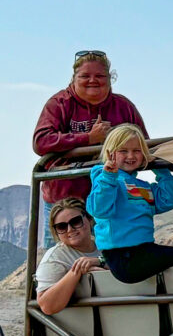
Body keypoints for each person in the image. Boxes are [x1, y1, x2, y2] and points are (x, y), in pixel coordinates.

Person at [32, 50, 147, 233]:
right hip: (66, 199)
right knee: (64, 256)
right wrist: (88, 138)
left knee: (110, 255)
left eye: (99, 75)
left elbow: (144, 143)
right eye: (85, 76)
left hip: (112, 198)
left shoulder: (123, 106)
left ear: (110, 79)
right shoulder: (59, 104)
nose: (92, 80)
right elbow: (41, 141)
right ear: (74, 78)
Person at [87, 124, 173, 284]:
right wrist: (108, 177)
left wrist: (161, 170)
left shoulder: (140, 185)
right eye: (123, 151)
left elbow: (170, 199)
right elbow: (99, 209)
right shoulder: (105, 179)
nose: (131, 156)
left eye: (137, 150)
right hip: (123, 256)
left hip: (144, 249)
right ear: (110, 153)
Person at [34, 198, 105, 315]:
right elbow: (47, 306)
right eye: (61, 227)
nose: (70, 229)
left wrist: (99, 261)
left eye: (76, 221)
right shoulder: (55, 258)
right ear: (56, 232)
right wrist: (76, 271)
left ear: (89, 219)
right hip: (75, 329)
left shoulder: (105, 246)